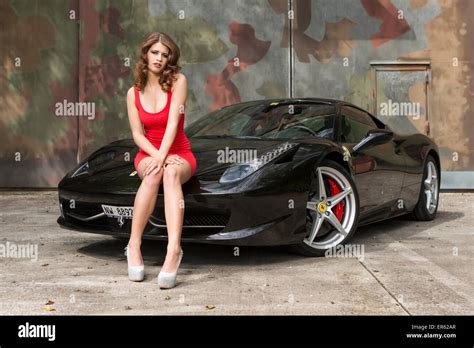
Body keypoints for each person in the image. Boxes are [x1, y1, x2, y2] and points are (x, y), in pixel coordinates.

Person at [125, 32, 197, 288]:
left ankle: (174, 250)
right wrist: (156, 157)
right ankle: (134, 245)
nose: (159, 59)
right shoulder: (133, 93)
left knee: (168, 173)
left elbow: (173, 125)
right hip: (148, 153)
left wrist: (164, 157)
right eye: (155, 52)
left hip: (179, 152)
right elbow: (137, 134)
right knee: (155, 172)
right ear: (145, 53)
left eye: (165, 55)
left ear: (170, 59)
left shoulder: (179, 81)